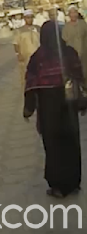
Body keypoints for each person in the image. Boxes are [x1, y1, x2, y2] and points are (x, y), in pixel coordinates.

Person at [24, 20, 86, 198]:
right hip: (69, 104)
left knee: (53, 145)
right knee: (71, 142)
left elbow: (31, 84)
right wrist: (82, 103)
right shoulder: (69, 52)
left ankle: (58, 186)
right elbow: (79, 78)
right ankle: (74, 182)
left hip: (48, 107)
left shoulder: (38, 57)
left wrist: (28, 108)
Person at [15, 10, 42, 87]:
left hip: (38, 56)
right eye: (28, 18)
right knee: (26, 75)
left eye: (31, 17)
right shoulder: (19, 30)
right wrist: (18, 54)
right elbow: (16, 43)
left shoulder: (38, 28)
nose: (30, 19)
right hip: (25, 56)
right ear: (24, 19)